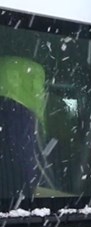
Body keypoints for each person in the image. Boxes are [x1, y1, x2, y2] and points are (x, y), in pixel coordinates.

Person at [0, 56, 46, 210]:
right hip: (19, 210)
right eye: (36, 80)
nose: (38, 88)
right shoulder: (19, 117)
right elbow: (29, 175)